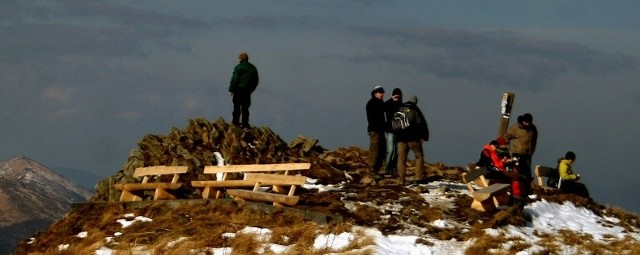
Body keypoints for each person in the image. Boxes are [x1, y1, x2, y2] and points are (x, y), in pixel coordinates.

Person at [395, 95, 429, 185]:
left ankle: (401, 180)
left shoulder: (400, 109)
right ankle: (418, 178)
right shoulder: (415, 110)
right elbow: (420, 124)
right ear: (415, 102)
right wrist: (424, 136)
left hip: (401, 139)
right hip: (413, 138)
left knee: (401, 159)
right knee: (419, 156)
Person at [504, 113, 537, 195]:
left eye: (529, 122)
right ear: (522, 121)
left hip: (528, 154)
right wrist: (506, 147)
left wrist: (532, 151)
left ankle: (526, 189)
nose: (527, 124)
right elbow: (507, 136)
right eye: (526, 122)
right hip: (517, 153)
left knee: (527, 173)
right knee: (518, 172)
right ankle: (517, 190)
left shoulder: (533, 128)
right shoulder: (516, 127)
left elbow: (534, 140)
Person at [228, 52, 259, 128]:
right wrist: (251, 89)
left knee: (236, 106)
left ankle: (235, 122)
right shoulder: (253, 68)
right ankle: (245, 124)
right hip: (247, 91)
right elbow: (256, 81)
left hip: (238, 89)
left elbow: (235, 79)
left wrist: (231, 89)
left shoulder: (238, 67)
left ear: (240, 59)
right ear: (247, 59)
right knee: (245, 107)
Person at [365, 85, 386, 184]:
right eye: (379, 92)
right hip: (375, 130)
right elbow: (373, 119)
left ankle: (376, 170)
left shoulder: (380, 103)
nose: (381, 94)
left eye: (382, 92)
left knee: (381, 151)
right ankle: (371, 172)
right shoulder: (372, 103)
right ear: (375, 93)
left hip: (380, 131)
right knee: (374, 151)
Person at [383, 88, 404, 177]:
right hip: (389, 130)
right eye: (395, 95)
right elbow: (382, 107)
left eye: (398, 96)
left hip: (398, 132)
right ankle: (386, 168)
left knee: (396, 152)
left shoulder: (401, 105)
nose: (396, 97)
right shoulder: (388, 103)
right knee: (390, 150)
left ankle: (392, 168)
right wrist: (392, 99)